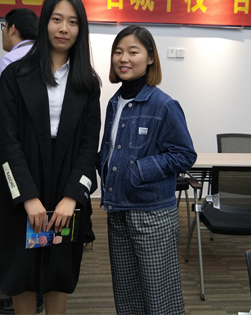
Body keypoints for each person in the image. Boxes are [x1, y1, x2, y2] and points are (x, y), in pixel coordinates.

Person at [0, 0, 101, 315]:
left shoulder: (87, 83)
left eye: (72, 22)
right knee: (21, 272)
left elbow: (89, 146)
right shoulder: (15, 75)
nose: (64, 28)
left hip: (65, 185)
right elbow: (7, 141)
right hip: (22, 186)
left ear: (81, 29)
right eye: (57, 19)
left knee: (59, 269)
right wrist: (28, 197)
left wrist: (72, 197)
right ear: (45, 23)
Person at [97, 25, 197, 315]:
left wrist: (139, 170)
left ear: (150, 58)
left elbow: (185, 154)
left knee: (159, 297)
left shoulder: (163, 104)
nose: (123, 59)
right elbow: (111, 148)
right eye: (118, 52)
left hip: (152, 215)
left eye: (133, 52)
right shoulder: (115, 102)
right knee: (127, 294)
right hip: (118, 210)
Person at [0, 8, 44, 314]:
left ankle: (25, 296)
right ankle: (38, 292)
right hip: (46, 163)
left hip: (19, 162)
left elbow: (9, 124)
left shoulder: (10, 62)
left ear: (12, 28)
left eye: (2, 27)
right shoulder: (49, 59)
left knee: (17, 237)